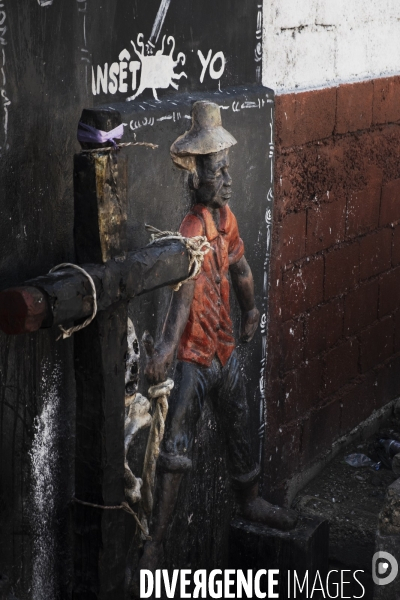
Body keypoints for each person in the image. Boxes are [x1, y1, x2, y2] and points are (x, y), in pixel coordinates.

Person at [135, 101, 297, 582]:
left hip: (223, 350)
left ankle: (250, 501)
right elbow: (181, 295)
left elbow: (241, 269)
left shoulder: (226, 220)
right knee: (176, 450)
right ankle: (155, 543)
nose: (226, 179)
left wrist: (251, 309)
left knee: (239, 420)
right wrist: (166, 348)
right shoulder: (192, 228)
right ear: (196, 180)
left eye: (227, 169)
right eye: (217, 172)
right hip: (192, 357)